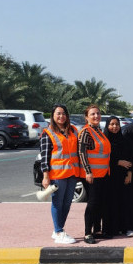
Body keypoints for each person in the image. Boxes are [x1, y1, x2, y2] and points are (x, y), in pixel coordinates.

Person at [40, 104, 82, 244]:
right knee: (58, 203)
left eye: (63, 113)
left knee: (67, 203)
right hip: (57, 174)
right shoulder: (48, 132)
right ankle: (59, 232)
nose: (61, 116)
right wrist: (45, 176)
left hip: (72, 173)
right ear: (53, 116)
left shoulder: (73, 130)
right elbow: (44, 156)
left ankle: (58, 229)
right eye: (58, 113)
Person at [77, 104, 111, 244]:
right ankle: (87, 233)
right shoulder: (86, 132)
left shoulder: (98, 131)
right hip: (92, 175)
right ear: (87, 117)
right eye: (92, 114)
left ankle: (97, 230)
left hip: (102, 174)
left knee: (100, 203)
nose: (96, 116)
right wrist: (88, 172)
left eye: (97, 113)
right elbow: (82, 152)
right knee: (92, 203)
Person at [102, 116, 133, 238]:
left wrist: (130, 174)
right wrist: (117, 162)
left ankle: (128, 228)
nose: (115, 127)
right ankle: (113, 228)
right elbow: (102, 158)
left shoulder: (125, 140)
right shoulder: (104, 141)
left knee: (127, 202)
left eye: (117, 124)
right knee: (112, 203)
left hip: (124, 176)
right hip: (110, 177)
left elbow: (131, 158)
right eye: (112, 124)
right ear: (107, 126)